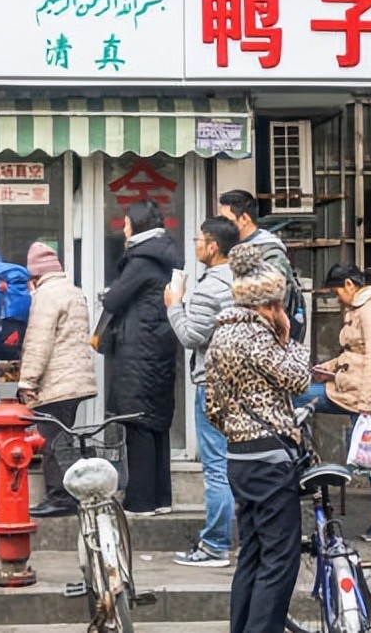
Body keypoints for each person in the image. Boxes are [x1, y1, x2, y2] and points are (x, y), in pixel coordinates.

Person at [204, 242, 311, 633]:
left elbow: (211, 406)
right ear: (267, 305)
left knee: (251, 552)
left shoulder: (220, 337)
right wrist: (292, 341)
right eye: (278, 306)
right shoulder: (257, 336)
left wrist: (238, 432)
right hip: (271, 460)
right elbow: (298, 378)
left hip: (239, 458)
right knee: (280, 558)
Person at [294, 263, 371, 542]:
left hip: (364, 396)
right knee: (298, 397)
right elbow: (354, 356)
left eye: (336, 292)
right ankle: (306, 466)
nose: (336, 298)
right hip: (346, 390)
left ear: (350, 286)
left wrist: (367, 403)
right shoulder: (361, 308)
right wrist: (327, 368)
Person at [100, 199, 183, 516]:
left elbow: (114, 300)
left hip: (138, 351)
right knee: (157, 423)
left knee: (138, 424)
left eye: (126, 222)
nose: (123, 228)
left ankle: (141, 500)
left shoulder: (141, 261)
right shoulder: (167, 257)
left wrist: (108, 294)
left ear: (136, 226)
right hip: (160, 348)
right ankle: (161, 498)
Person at [166, 216, 239, 566]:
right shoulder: (241, 280)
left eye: (198, 240)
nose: (194, 245)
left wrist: (174, 304)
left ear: (213, 247)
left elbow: (191, 336)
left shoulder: (211, 287)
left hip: (212, 384)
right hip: (240, 384)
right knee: (234, 463)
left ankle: (216, 544)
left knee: (216, 467)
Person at [19, 242, 98, 518]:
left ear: (36, 274)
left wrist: (27, 382)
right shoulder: (73, 292)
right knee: (62, 439)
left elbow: (38, 343)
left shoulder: (46, 296)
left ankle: (60, 497)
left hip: (57, 382)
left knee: (50, 441)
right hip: (75, 381)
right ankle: (69, 493)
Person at [217, 190, 306, 344]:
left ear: (244, 218)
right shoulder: (231, 249)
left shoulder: (270, 253)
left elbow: (274, 303)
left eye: (227, 220)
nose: (222, 226)